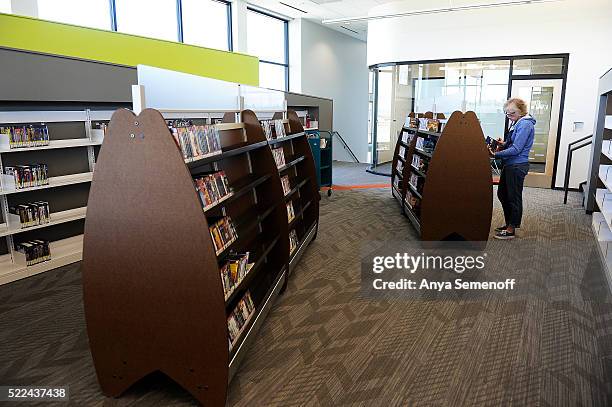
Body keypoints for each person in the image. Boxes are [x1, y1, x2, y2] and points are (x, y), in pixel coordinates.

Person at [489, 98, 535, 240]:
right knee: (503, 194)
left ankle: (511, 229)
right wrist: (503, 143)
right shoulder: (517, 122)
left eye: (512, 112)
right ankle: (510, 223)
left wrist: (496, 154)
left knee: (513, 197)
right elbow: (512, 143)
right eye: (507, 113)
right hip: (510, 165)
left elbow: (516, 149)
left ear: (521, 111)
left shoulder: (525, 125)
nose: (509, 116)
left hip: (516, 165)